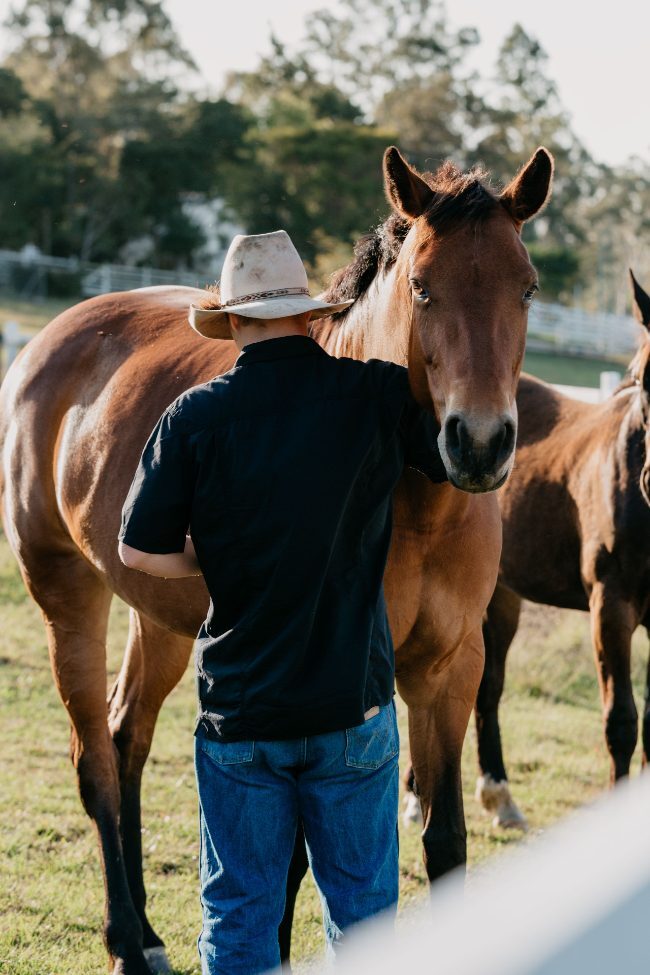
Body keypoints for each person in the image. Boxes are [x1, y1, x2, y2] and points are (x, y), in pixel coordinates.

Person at [118, 230, 448, 975]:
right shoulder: (373, 396)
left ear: (234, 322)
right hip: (352, 713)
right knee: (362, 923)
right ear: (307, 315)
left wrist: (211, 554)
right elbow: (450, 462)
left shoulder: (193, 418)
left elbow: (135, 549)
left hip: (241, 717)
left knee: (238, 918)